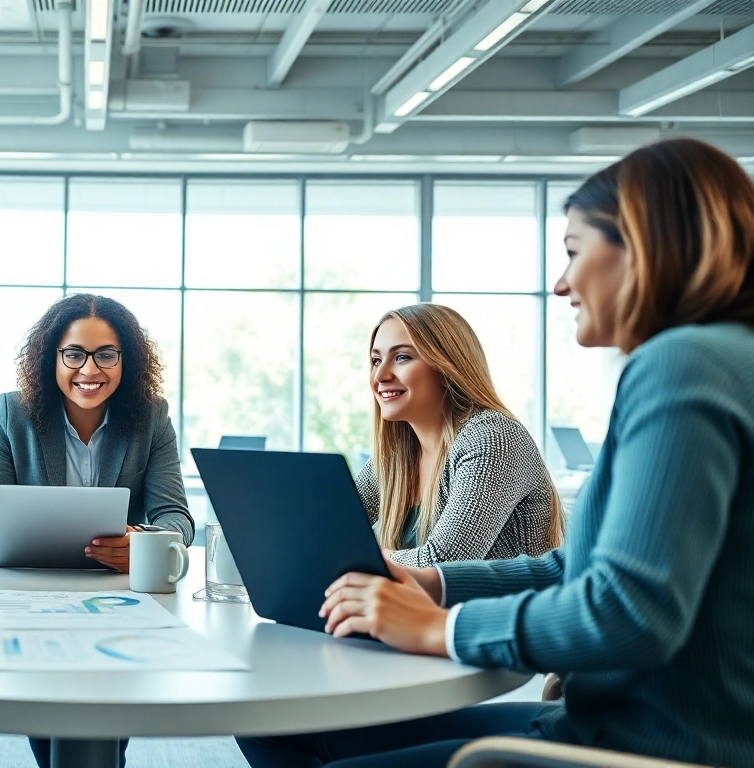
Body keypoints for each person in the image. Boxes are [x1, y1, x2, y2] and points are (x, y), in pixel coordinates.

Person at [237, 137, 754, 768]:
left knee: (292, 727)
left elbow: (632, 610)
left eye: (574, 252)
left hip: (640, 742)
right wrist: (433, 582)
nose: (561, 283)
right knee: (276, 725)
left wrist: (437, 627)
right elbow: (574, 569)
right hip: (598, 718)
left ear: (645, 247)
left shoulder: (682, 364)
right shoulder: (715, 360)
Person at [0, 293, 192, 768]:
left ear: (126, 359)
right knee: (49, 728)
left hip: (119, 602)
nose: (90, 369)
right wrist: (11, 535)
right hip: (29, 600)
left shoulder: (151, 417)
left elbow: (177, 520)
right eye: (74, 354)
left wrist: (143, 546)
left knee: (106, 731)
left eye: (106, 354)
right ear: (53, 358)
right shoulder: (13, 412)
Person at [355, 303, 562, 567]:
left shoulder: (493, 438)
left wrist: (364, 557)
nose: (380, 376)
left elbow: (444, 563)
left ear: (447, 366)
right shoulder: (396, 455)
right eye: (375, 361)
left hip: (493, 609)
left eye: (402, 357)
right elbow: (332, 529)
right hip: (423, 608)